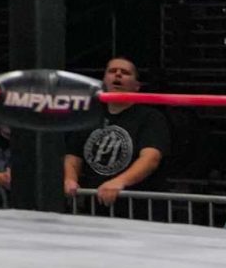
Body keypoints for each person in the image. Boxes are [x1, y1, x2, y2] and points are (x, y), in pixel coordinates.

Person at [64, 56, 169, 206]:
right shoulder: (90, 115)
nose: (118, 74)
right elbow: (73, 155)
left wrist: (120, 182)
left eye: (125, 73)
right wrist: (70, 179)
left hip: (138, 208)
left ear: (137, 86)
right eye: (112, 71)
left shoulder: (150, 117)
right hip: (95, 206)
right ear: (104, 81)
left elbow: (151, 158)